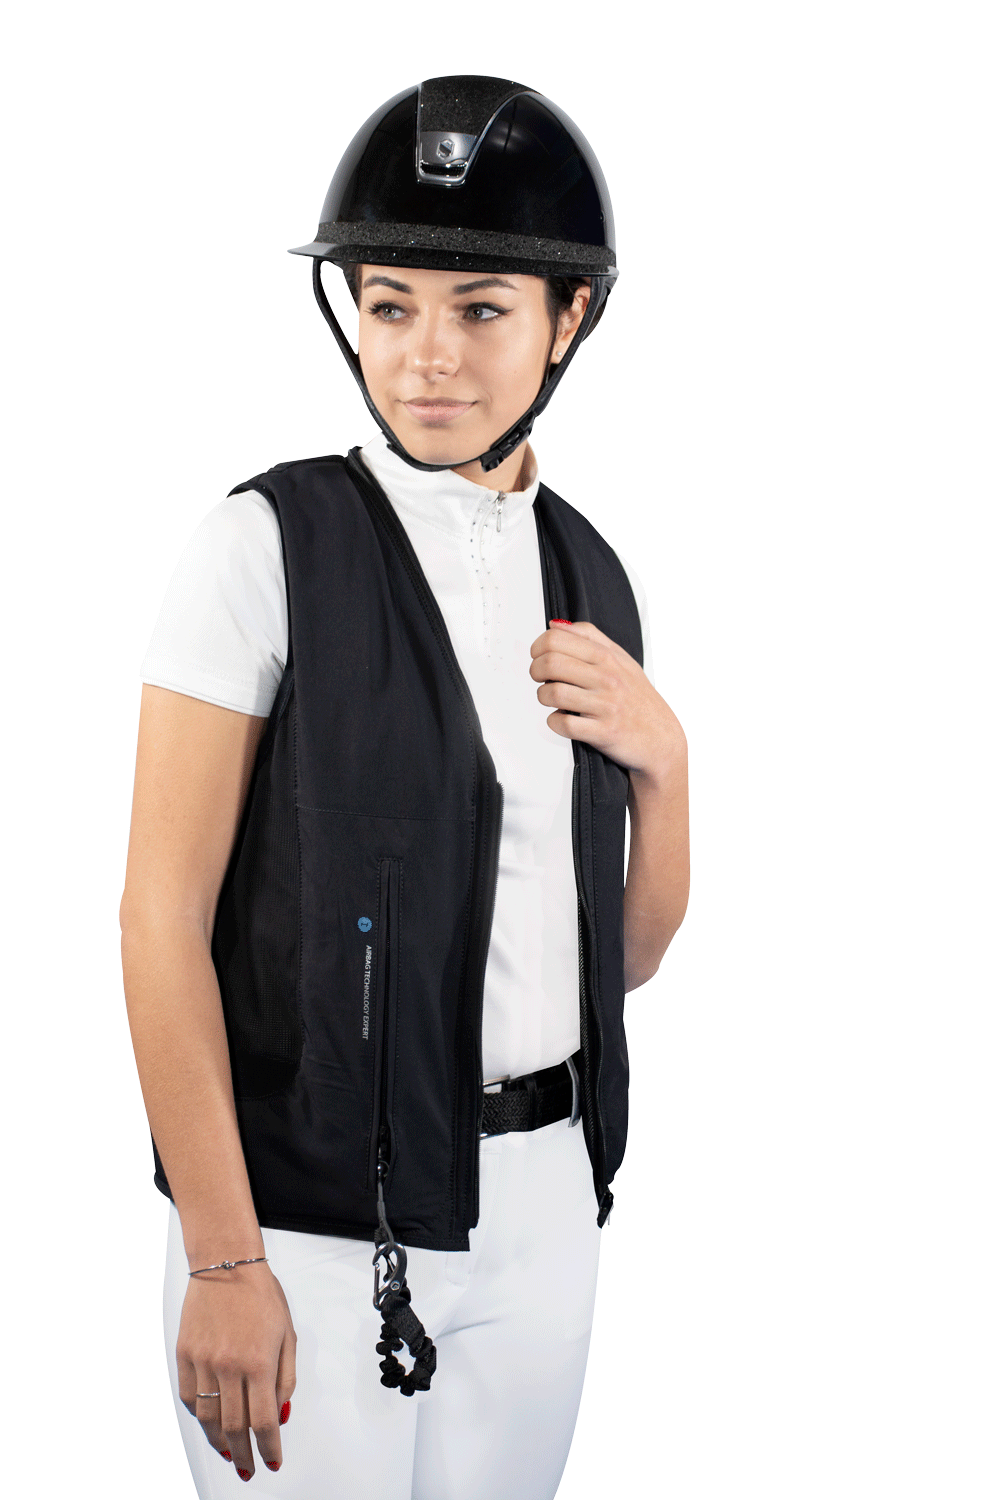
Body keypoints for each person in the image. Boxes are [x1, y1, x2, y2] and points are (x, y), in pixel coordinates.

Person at [120, 74, 689, 1500]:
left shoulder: (591, 575)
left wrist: (666, 765)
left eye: (481, 309)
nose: (428, 357)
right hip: (307, 1225)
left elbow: (616, 960)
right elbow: (158, 920)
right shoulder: (264, 548)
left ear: (569, 318)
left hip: (542, 1206)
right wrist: (224, 1256)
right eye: (390, 306)